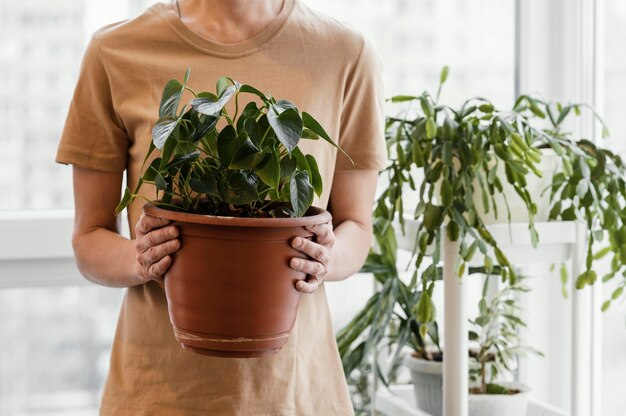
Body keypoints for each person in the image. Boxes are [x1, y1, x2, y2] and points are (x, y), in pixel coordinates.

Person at [56, 0, 386, 414]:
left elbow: (356, 224)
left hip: (295, 394)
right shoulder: (115, 51)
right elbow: (89, 238)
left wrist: (324, 256)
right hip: (158, 393)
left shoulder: (344, 52)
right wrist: (140, 259)